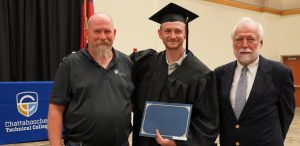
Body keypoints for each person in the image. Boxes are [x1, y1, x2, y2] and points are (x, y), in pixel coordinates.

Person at [131, 3, 219, 146]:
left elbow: (207, 124)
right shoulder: (147, 63)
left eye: (178, 31)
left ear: (186, 33)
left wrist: (176, 143)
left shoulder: (202, 75)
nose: (173, 36)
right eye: (168, 31)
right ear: (160, 33)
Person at [47, 12, 134, 146]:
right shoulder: (70, 64)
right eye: (97, 31)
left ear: (114, 33)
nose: (103, 36)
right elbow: (55, 109)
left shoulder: (126, 62)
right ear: (87, 34)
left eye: (107, 31)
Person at [214, 17, 295, 146]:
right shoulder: (219, 74)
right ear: (232, 43)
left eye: (251, 39)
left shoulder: (280, 73)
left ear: (261, 43)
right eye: (239, 39)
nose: (244, 45)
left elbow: (286, 114)